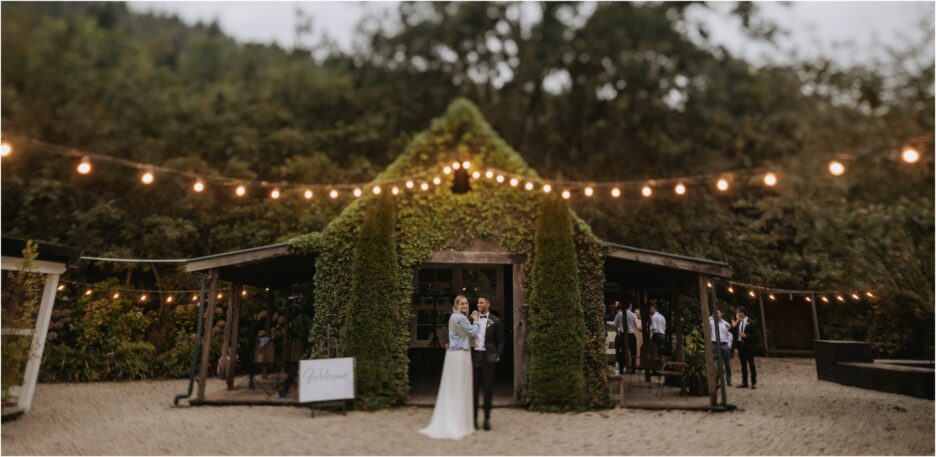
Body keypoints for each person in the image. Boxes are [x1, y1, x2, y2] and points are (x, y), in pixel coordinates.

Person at [419, 295, 479, 440]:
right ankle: (457, 423)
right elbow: (472, 333)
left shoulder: (453, 317)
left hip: (453, 354)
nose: (465, 306)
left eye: (466, 303)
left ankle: (453, 419)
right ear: (456, 304)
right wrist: (476, 320)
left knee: (452, 387)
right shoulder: (461, 318)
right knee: (459, 387)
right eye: (462, 303)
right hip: (459, 355)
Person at [472, 296, 504, 431]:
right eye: (478, 302)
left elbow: (501, 341)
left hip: (488, 357)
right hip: (475, 356)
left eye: (481, 302)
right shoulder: (471, 319)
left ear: (488, 305)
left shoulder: (496, 321)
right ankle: (473, 420)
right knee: (474, 390)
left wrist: (497, 356)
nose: (479, 304)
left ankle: (486, 419)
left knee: (487, 389)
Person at [734, 307, 758, 389]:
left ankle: (753, 382)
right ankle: (744, 382)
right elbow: (736, 335)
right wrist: (736, 346)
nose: (737, 314)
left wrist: (746, 336)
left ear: (743, 313)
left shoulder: (751, 322)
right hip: (741, 346)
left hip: (749, 346)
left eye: (738, 313)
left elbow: (756, 336)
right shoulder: (738, 323)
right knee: (743, 365)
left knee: (751, 364)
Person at [710, 310, 733, 387]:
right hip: (714, 344)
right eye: (715, 313)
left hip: (724, 344)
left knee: (727, 363)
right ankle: (717, 380)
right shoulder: (711, 322)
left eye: (718, 313)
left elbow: (730, 334)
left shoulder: (726, 324)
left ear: (721, 314)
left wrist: (729, 345)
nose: (717, 314)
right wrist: (711, 317)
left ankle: (729, 380)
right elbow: (703, 324)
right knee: (715, 363)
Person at [648, 305, 666, 375]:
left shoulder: (654, 317)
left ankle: (654, 371)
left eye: (650, 309)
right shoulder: (662, 316)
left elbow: (654, 328)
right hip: (662, 335)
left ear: (653, 309)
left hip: (656, 335)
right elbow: (664, 327)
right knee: (660, 354)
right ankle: (660, 369)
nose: (649, 311)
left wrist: (650, 329)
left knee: (654, 353)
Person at [610, 302, 626, 374]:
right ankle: (619, 365)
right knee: (619, 350)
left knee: (620, 351)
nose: (618, 312)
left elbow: (615, 325)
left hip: (621, 334)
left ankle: (621, 365)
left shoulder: (620, 315)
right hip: (620, 334)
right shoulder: (620, 315)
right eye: (617, 311)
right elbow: (615, 325)